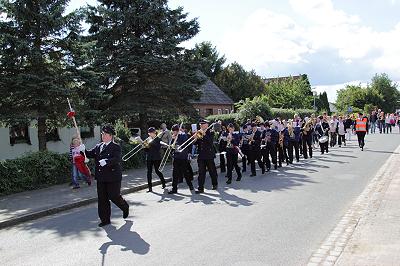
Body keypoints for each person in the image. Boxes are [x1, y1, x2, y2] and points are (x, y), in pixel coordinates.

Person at [85, 125, 129, 227]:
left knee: (114, 196)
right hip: (101, 177)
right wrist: (83, 150)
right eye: (102, 134)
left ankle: (124, 206)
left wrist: (107, 161)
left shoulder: (115, 147)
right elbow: (89, 154)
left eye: (105, 134)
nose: (103, 136)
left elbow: (117, 159)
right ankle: (105, 220)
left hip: (113, 177)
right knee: (102, 199)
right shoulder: (98, 146)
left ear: (110, 136)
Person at [168, 124, 194, 194]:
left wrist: (177, 138)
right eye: (173, 131)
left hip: (183, 157)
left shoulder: (183, 135)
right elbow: (171, 147)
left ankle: (190, 185)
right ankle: (174, 189)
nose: (173, 133)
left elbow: (184, 143)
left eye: (175, 131)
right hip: (176, 157)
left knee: (185, 173)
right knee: (175, 173)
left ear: (177, 131)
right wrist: (173, 140)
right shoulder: (173, 137)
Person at [194, 119, 218, 194]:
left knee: (212, 171)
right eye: (200, 124)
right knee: (201, 172)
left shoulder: (211, 132)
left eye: (202, 124)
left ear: (206, 125)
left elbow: (210, 142)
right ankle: (200, 188)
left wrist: (204, 135)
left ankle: (215, 184)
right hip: (201, 155)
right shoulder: (199, 132)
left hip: (209, 155)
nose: (200, 125)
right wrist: (194, 138)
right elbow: (195, 143)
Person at [144, 127, 166, 192]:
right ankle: (150, 188)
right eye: (149, 133)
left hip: (156, 158)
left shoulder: (158, 139)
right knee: (149, 172)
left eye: (151, 133)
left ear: (154, 133)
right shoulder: (148, 140)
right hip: (149, 158)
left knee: (157, 171)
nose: (150, 134)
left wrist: (151, 142)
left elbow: (158, 147)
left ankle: (163, 182)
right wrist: (144, 146)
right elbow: (146, 150)